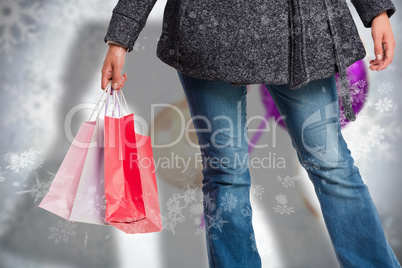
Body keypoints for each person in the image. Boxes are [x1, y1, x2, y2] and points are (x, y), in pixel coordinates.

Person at [101, 0, 401, 267]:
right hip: (208, 31)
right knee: (227, 172)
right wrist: (120, 37)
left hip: (301, 33)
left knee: (332, 166)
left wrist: (375, 10)